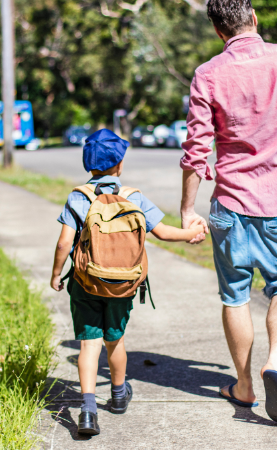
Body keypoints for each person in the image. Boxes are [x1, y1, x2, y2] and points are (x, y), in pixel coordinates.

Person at [178, 0, 277, 424]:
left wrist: (188, 208)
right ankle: (275, 362)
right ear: (255, 18)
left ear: (216, 29)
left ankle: (244, 385)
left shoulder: (207, 74)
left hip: (230, 206)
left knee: (235, 296)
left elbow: (196, 152)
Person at [50, 129, 205, 436]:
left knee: (89, 343)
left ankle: (88, 411)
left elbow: (63, 243)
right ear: (120, 164)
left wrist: (56, 274)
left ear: (87, 165)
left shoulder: (79, 198)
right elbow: (163, 233)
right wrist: (192, 233)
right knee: (115, 340)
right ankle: (119, 395)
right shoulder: (133, 197)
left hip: (85, 283)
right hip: (123, 285)